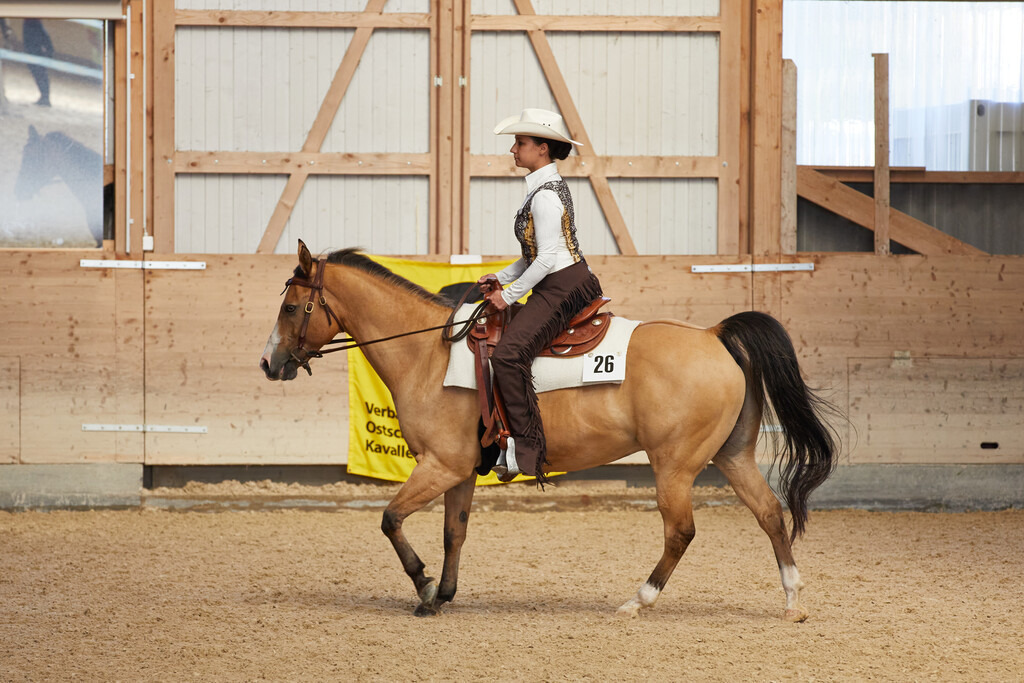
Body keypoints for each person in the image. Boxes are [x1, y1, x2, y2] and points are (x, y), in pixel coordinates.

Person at [477, 108, 603, 482]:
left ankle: (527, 448)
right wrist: (500, 276)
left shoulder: (545, 196)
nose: (513, 150)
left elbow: (547, 258)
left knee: (510, 356)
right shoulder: (543, 188)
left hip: (562, 285)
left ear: (542, 149)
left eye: (520, 143)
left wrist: (509, 296)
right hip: (560, 277)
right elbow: (535, 254)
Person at [23, 19, 53, 107]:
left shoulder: (34, 23)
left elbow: (44, 36)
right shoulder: (29, 24)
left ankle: (45, 96)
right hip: (32, 51)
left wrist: (48, 50)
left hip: (36, 52)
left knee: (40, 73)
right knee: (38, 73)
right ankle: (44, 96)